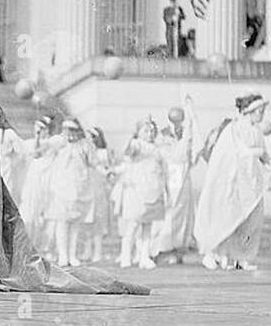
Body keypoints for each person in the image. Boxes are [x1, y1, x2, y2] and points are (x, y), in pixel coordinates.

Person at [194, 92, 271, 271]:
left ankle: (242, 257)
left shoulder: (256, 131)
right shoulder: (234, 128)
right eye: (259, 111)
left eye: (263, 111)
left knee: (251, 221)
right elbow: (233, 153)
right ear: (249, 111)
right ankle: (214, 253)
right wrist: (253, 153)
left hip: (252, 181)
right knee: (226, 217)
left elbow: (263, 154)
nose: (262, 114)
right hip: (233, 181)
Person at [116, 118, 168, 270]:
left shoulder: (157, 149)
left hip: (154, 189)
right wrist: (130, 140)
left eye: (152, 131)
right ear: (138, 132)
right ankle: (126, 255)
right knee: (133, 225)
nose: (150, 134)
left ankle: (144, 256)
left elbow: (163, 170)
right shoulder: (137, 145)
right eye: (146, 130)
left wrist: (165, 190)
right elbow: (128, 151)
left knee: (148, 226)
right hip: (137, 190)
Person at [150, 98, 198, 264]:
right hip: (170, 177)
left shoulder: (187, 133)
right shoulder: (162, 135)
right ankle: (160, 249)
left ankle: (179, 249)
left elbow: (191, 152)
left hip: (184, 177)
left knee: (183, 214)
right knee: (167, 213)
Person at [44, 119, 96, 268]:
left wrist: (89, 147)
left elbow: (92, 162)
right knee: (62, 222)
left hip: (79, 186)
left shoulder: (84, 145)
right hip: (62, 187)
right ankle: (63, 255)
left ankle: (72, 255)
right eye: (67, 130)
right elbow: (44, 151)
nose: (70, 134)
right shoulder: (59, 143)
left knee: (75, 223)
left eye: (73, 130)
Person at [19, 117, 57, 258]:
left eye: (43, 129)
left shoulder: (54, 141)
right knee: (30, 213)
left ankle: (48, 248)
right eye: (38, 129)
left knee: (47, 215)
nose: (40, 132)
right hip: (34, 183)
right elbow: (32, 153)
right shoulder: (30, 143)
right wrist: (36, 137)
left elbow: (38, 152)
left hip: (49, 182)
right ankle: (31, 246)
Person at [76, 125, 112, 264]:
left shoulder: (103, 152)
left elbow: (106, 169)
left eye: (92, 137)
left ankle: (98, 251)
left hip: (99, 189)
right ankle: (87, 250)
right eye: (88, 136)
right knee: (86, 222)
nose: (89, 139)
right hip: (86, 187)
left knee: (98, 221)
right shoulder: (84, 151)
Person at [0, 104, 27, 200]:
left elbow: (21, 151)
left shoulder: (9, 133)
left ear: (0, 118)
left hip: (6, 170)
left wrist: (13, 163)